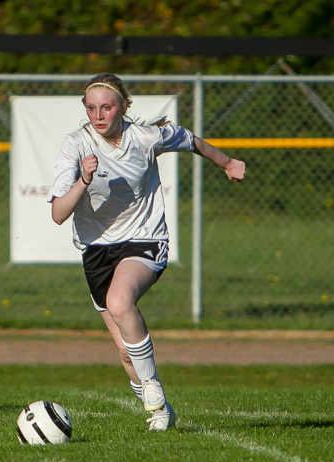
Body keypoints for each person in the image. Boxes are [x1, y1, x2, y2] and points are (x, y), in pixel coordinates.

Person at [48, 73, 245, 431]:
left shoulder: (145, 136)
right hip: (96, 252)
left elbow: (191, 140)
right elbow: (59, 214)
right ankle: (161, 412)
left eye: (106, 106)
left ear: (123, 106)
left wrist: (228, 163)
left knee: (121, 302)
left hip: (145, 238)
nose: (98, 115)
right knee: (126, 351)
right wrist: (83, 181)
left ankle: (153, 388)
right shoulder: (76, 144)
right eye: (91, 108)